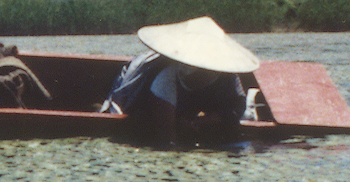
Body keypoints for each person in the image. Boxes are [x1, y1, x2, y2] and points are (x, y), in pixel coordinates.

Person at [101, 16, 259, 142]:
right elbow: (166, 131)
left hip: (192, 111)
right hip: (143, 103)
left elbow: (236, 107)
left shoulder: (227, 73)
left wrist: (200, 122)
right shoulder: (166, 76)